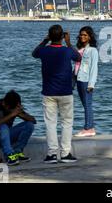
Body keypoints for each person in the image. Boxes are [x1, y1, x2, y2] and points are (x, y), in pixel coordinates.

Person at [32, 25, 79, 164]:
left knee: (50, 124)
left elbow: (34, 53)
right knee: (67, 123)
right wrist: (69, 42)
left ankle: (52, 154)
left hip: (48, 92)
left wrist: (45, 40)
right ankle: (65, 154)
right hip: (65, 92)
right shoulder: (67, 51)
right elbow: (78, 57)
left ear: (50, 36)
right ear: (62, 37)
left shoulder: (44, 51)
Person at [0, 90, 36, 166]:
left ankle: (18, 151)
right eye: (13, 109)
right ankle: (9, 155)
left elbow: (33, 120)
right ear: (6, 105)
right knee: (3, 126)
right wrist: (11, 115)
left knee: (29, 125)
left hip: (6, 136)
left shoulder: (14, 107)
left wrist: (20, 114)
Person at [74, 26, 99, 137]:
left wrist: (91, 84)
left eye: (85, 35)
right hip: (78, 79)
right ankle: (91, 127)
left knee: (88, 104)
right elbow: (76, 66)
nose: (82, 37)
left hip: (86, 81)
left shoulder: (92, 50)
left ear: (89, 37)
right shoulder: (79, 50)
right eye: (81, 34)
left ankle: (88, 128)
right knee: (85, 105)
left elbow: (94, 68)